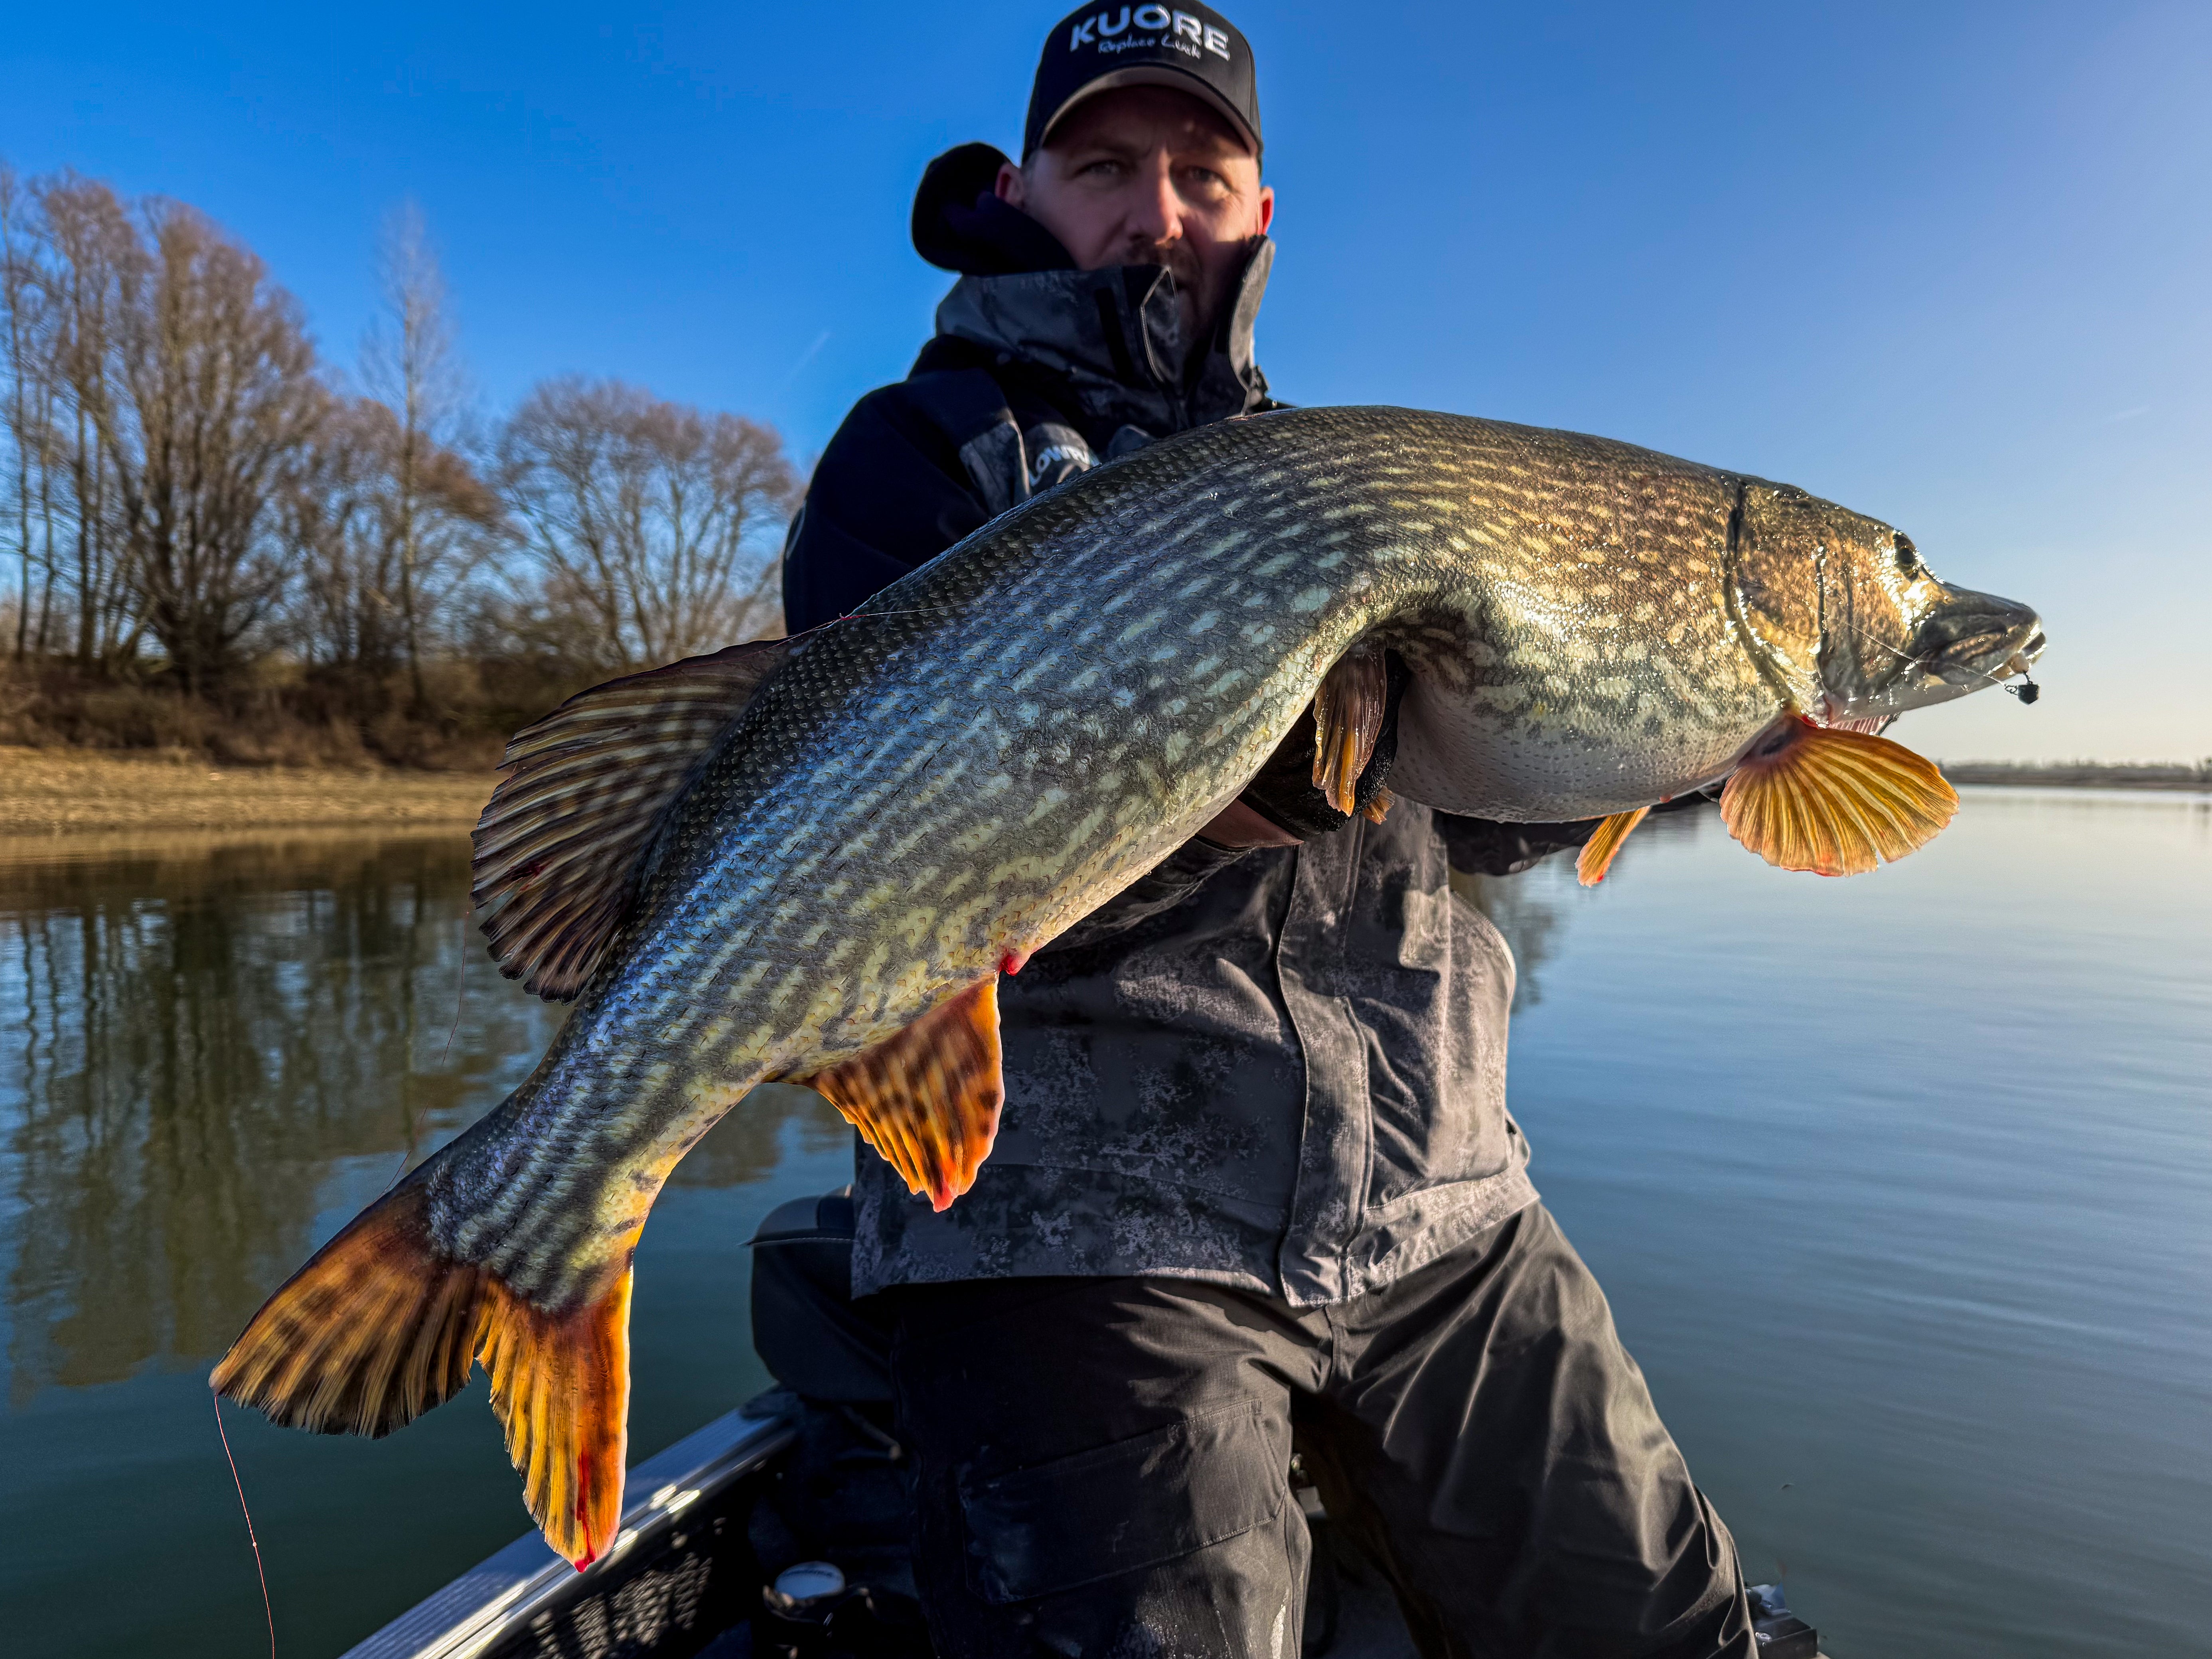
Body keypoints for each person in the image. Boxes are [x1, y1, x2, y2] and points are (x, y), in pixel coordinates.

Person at [773, 7, 1757, 1655]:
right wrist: (1257, 784)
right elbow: (897, 864)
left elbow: (1457, 821)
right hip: (1080, 1228)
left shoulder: (1335, 477)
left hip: (1441, 1202)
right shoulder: (925, 456)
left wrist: (1646, 739)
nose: (1156, 210)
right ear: (1020, 190)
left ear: (1262, 210)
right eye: (1104, 165)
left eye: (1201, 170)